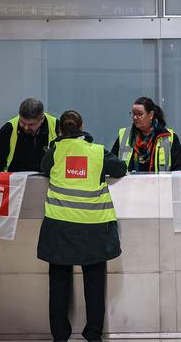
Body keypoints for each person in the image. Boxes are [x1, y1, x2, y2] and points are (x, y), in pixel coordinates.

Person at [39, 110, 127, 342]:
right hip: (93, 228)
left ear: (60, 130)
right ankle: (93, 334)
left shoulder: (54, 152)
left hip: (60, 227)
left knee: (58, 285)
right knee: (95, 284)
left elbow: (44, 169)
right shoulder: (98, 152)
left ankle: (60, 335)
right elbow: (120, 169)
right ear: (82, 126)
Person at [111, 97, 181, 173]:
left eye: (140, 114)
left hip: (160, 184)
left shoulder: (169, 137)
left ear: (151, 115)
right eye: (133, 113)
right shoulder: (125, 135)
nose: (135, 117)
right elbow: (112, 164)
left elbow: (179, 172)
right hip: (130, 184)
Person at [0, 97, 58, 173]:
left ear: (42, 119)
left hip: (48, 182)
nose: (26, 128)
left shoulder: (56, 127)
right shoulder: (9, 129)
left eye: (31, 124)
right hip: (14, 183)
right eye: (22, 122)